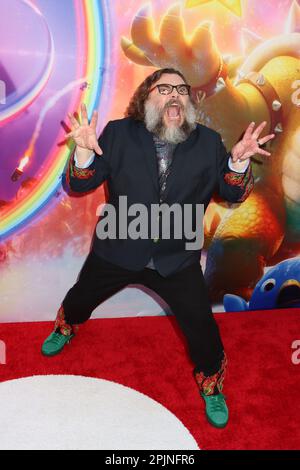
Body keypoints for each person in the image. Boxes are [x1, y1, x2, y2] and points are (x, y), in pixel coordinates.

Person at [41, 68, 275, 428]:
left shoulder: (208, 141)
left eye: (181, 89)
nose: (174, 95)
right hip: (118, 246)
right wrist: (85, 154)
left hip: (176, 258)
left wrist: (238, 161)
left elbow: (231, 193)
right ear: (145, 98)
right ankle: (66, 326)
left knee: (202, 328)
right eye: (163, 88)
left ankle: (211, 382)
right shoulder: (118, 133)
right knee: (81, 297)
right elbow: (80, 184)